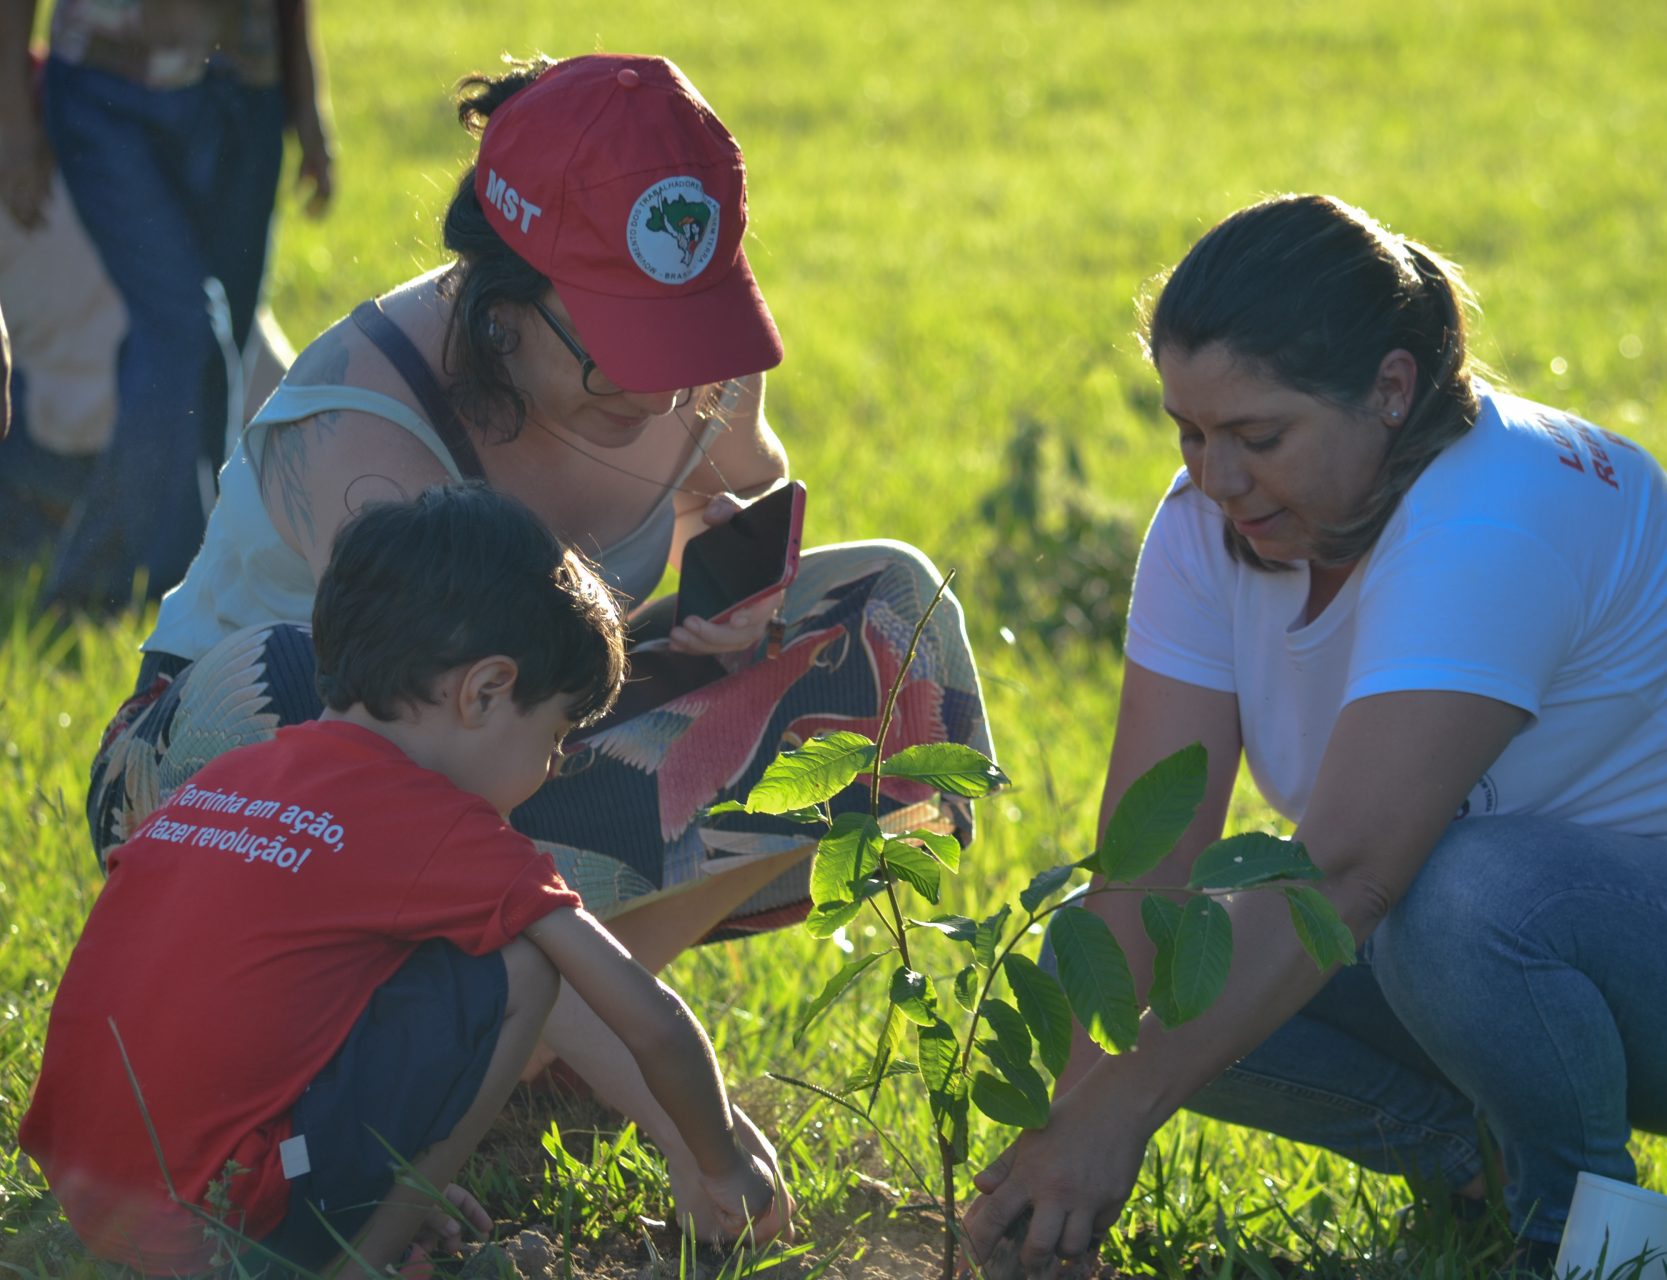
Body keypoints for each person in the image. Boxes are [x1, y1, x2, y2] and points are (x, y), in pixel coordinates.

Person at [86, 51, 995, 1178]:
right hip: (249, 784)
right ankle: (437, 1068)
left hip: (519, 736)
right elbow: (411, 792)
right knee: (300, 685)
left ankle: (535, 1053)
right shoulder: (363, 424)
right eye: (621, 348)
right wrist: (692, 1131)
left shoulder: (694, 367)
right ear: (499, 298)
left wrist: (730, 570)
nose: (665, 392)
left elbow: (743, 482)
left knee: (888, 610)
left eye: (685, 336)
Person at [962, 193, 1667, 1274]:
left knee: (1456, 888)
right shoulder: (1206, 530)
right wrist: (1070, 1157)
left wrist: (1116, 1114)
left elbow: (1351, 869)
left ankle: (1594, 1247)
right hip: (1490, 939)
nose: (1214, 478)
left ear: (1391, 391)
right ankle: (1473, 1168)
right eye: (1189, 431)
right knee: (1120, 950)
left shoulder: (1493, 514)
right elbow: (1147, 865)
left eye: (1258, 436)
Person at [21, 485, 789, 1277]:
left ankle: (365, 1197)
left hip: (90, 1194)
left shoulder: (236, 776)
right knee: (524, 963)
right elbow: (653, 1020)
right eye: (557, 733)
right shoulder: (438, 827)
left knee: (395, 962)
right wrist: (723, 1164)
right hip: (209, 1226)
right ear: (486, 691)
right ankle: (363, 1262)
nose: (554, 765)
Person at [0, 0, 334, 608]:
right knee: (186, 332)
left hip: (244, 88)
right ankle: (109, 590)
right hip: (110, 84)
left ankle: (197, 580)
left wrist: (306, 101)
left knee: (221, 341)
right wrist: (15, 128)